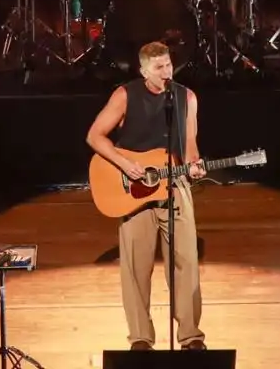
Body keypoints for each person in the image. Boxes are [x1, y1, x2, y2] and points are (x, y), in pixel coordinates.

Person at [85, 41, 207, 353]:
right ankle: (140, 338)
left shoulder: (186, 97)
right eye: (159, 67)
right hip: (133, 189)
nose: (166, 72)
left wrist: (194, 165)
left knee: (186, 261)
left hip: (174, 184)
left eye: (169, 65)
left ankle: (191, 337)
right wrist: (125, 164)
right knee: (136, 267)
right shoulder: (125, 95)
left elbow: (190, 144)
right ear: (143, 71)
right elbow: (95, 136)